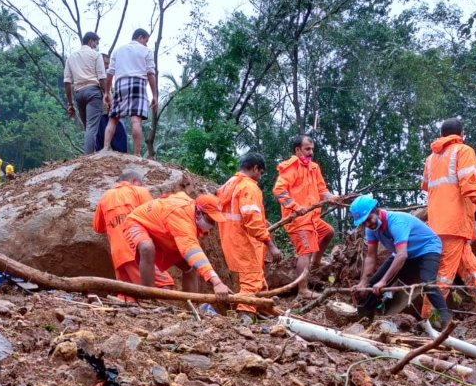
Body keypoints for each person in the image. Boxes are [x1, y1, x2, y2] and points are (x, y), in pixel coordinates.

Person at [422, 119, 476, 322]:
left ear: (441, 134)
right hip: (454, 223)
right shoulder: (463, 151)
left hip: (438, 224)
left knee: (470, 269)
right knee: (443, 275)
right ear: (462, 134)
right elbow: (469, 187)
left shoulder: (430, 159)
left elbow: (426, 187)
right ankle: (429, 319)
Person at [349, 195, 451, 327]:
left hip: (427, 248)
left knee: (427, 282)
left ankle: (446, 318)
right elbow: (370, 257)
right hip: (402, 252)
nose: (367, 224)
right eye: (363, 223)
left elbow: (402, 255)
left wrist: (384, 281)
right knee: (372, 285)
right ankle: (363, 321)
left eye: (368, 219)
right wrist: (363, 283)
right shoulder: (370, 230)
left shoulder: (397, 222)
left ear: (376, 210)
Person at [122, 192, 232, 301]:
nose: (211, 224)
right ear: (198, 213)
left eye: (214, 221)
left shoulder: (190, 208)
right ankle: (149, 298)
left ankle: (192, 308)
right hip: (137, 224)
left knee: (190, 267)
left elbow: (175, 196)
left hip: (165, 234)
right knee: (147, 248)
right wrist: (217, 282)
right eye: (209, 219)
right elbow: (192, 250)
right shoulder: (181, 218)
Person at [217, 153, 282, 318]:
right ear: (255, 168)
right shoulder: (249, 187)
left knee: (257, 278)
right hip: (243, 241)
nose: (260, 177)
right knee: (251, 280)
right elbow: (252, 221)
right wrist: (271, 246)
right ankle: (245, 318)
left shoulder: (229, 184)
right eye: (261, 173)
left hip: (231, 239)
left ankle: (263, 309)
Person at [273, 134, 338, 299]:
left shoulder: (314, 168)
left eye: (312, 149)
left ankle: (316, 262)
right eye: (307, 149)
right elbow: (279, 191)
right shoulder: (291, 167)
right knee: (305, 250)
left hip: (312, 217)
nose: (311, 152)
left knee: (329, 232)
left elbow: (322, 190)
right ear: (297, 150)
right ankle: (302, 289)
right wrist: (295, 207)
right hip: (297, 219)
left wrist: (332, 198)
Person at [92, 170, 175, 296]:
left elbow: (98, 227)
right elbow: (155, 217)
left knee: (128, 295)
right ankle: (157, 314)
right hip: (136, 250)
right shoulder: (140, 191)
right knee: (164, 286)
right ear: (135, 182)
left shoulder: (105, 197)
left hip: (118, 255)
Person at [103, 29, 158, 157]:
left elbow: (110, 72)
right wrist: (154, 95)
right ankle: (137, 153)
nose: (146, 44)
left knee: (113, 119)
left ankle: (105, 148)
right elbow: (150, 73)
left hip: (120, 84)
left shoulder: (118, 50)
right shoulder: (146, 51)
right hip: (138, 83)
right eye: (146, 40)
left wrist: (107, 92)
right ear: (140, 37)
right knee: (135, 120)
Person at [65, 32, 108, 154]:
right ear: (91, 41)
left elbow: (67, 82)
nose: (96, 46)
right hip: (93, 92)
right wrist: (107, 95)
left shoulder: (71, 57)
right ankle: (88, 157)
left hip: (79, 94)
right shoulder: (96, 55)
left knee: (87, 127)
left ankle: (90, 154)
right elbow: (101, 78)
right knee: (91, 128)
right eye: (96, 43)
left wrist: (70, 104)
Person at [94, 52, 128, 153]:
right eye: (105, 63)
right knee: (100, 135)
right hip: (101, 110)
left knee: (120, 134)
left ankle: (121, 155)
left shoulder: (107, 75)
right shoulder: (95, 74)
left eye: (109, 64)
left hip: (111, 109)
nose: (107, 66)